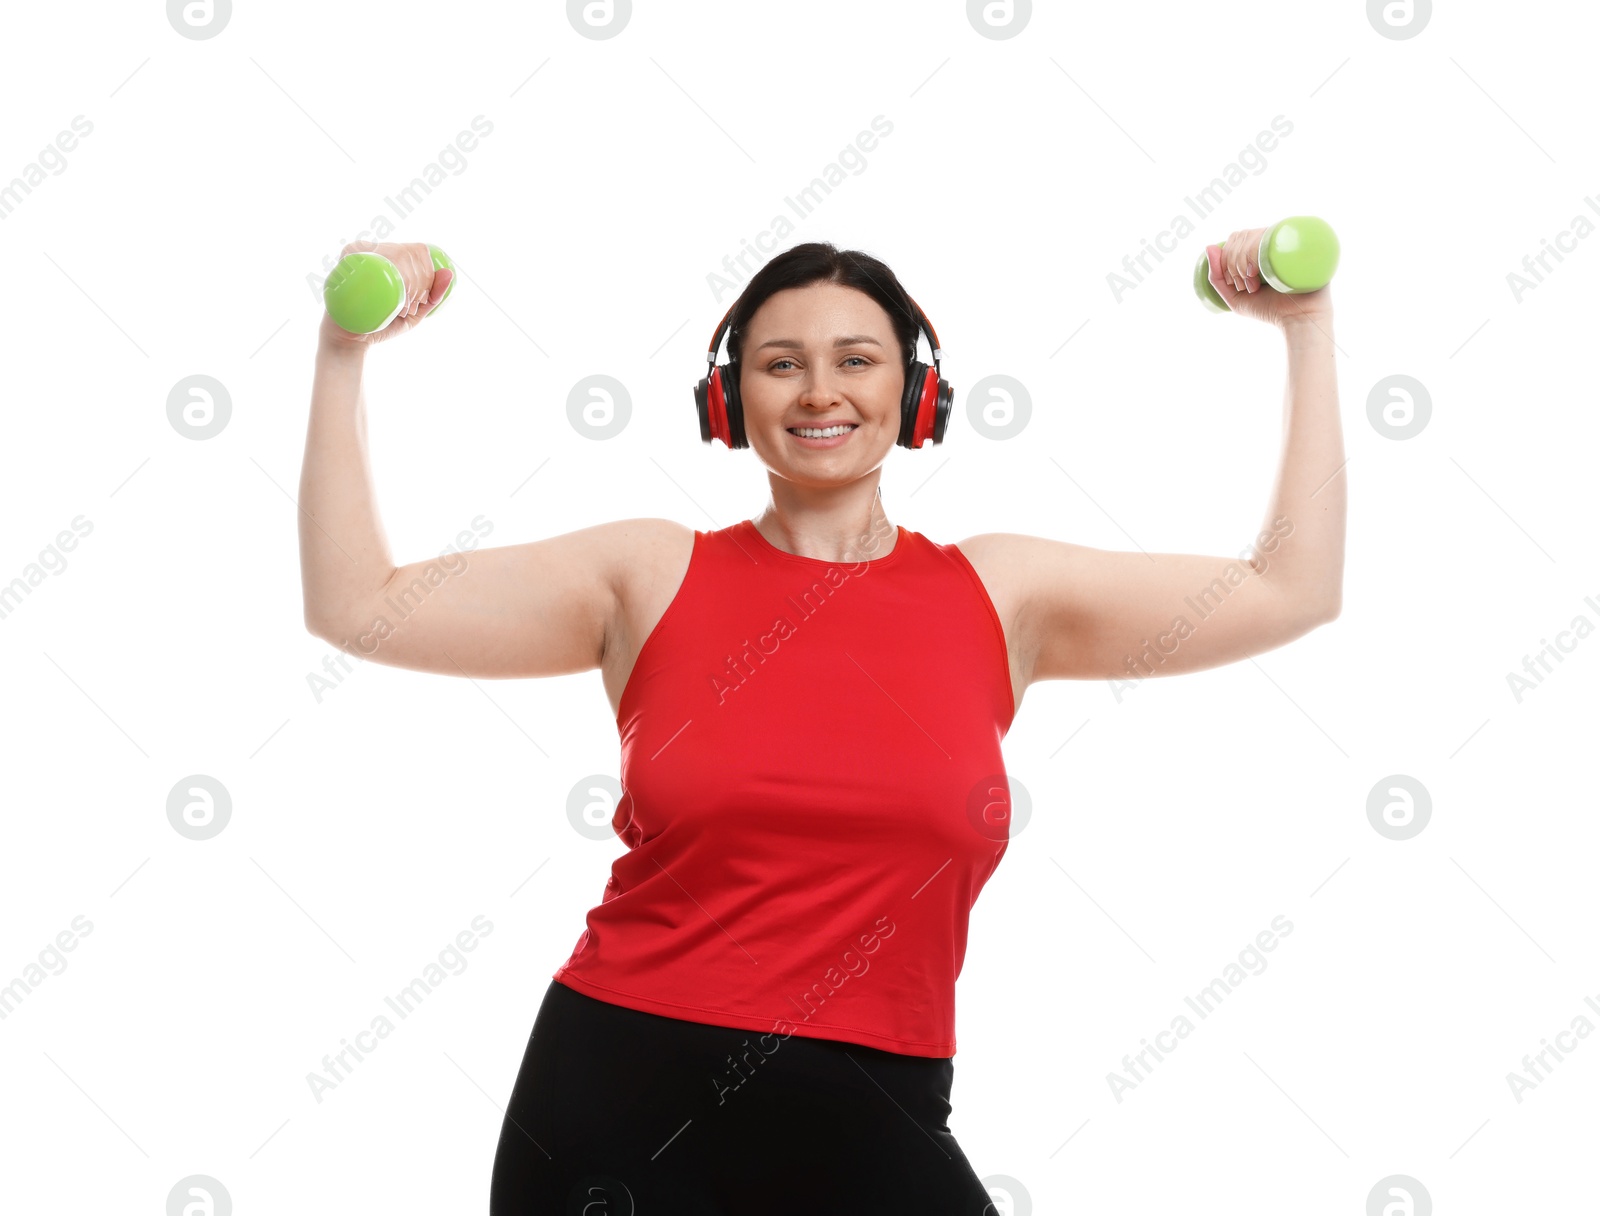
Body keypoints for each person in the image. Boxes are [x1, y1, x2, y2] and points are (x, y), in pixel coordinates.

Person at [298, 237, 1344, 1213]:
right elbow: (356, 602)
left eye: (856, 358)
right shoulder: (647, 573)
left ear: (915, 387)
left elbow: (1290, 588)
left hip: (878, 1097)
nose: (820, 392)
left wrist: (1306, 326)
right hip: (619, 1093)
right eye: (780, 363)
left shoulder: (1002, 592)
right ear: (727, 394)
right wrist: (345, 353)